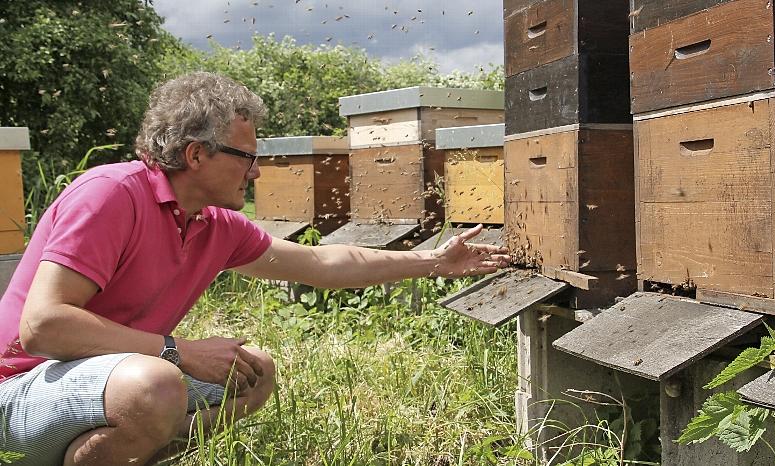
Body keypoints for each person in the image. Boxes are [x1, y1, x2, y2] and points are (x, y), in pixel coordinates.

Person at [0, 72, 510, 466]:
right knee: (154, 385)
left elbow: (322, 263)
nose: (258, 171)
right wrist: (179, 352)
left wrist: (434, 262)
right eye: (248, 157)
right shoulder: (111, 195)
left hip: (104, 382)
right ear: (196, 154)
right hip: (18, 390)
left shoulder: (214, 224)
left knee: (253, 372)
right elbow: (43, 327)